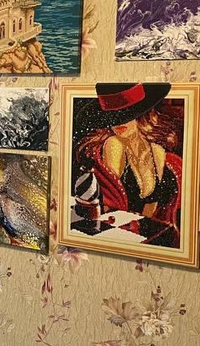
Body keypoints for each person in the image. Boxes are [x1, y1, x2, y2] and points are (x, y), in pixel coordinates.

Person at [73, 83, 183, 245]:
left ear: (142, 115)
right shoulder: (114, 145)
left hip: (151, 235)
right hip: (119, 236)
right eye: (112, 117)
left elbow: (154, 205)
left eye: (127, 115)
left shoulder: (157, 151)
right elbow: (112, 206)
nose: (118, 123)